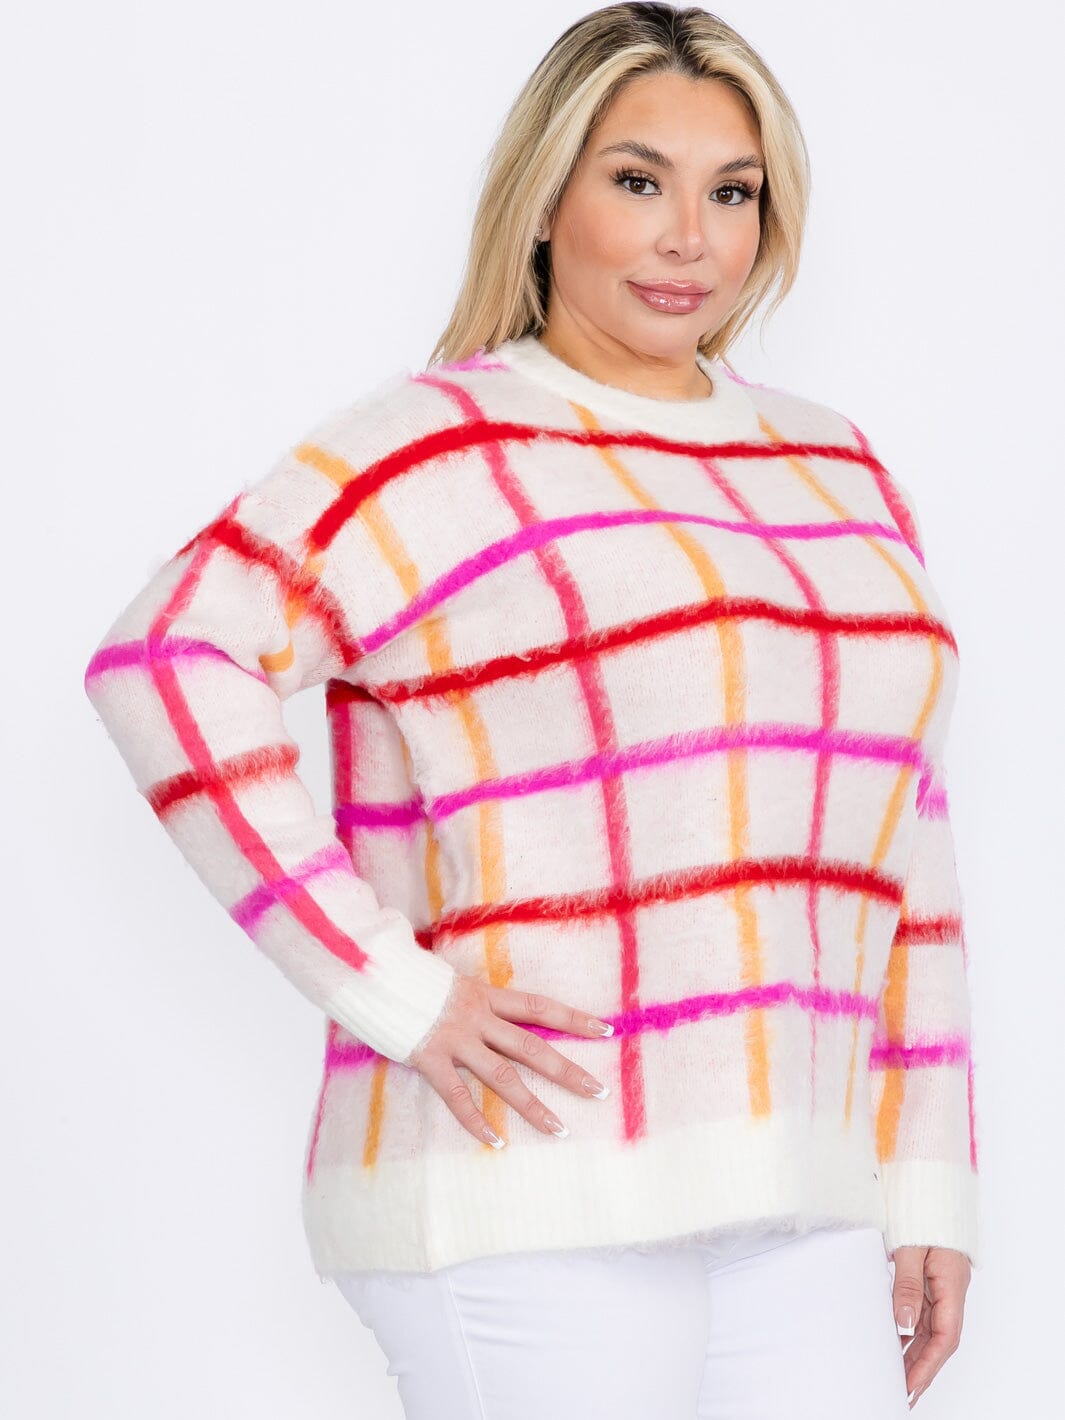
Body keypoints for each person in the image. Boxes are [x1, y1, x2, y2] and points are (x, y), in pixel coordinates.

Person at [82, 4, 980, 1416]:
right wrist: (390, 987)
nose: (689, 238)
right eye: (638, 180)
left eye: (732, 192)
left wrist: (929, 1173)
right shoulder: (438, 446)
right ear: (547, 200)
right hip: (523, 1172)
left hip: (802, 1187)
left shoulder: (835, 468)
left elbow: (902, 838)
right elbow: (165, 659)